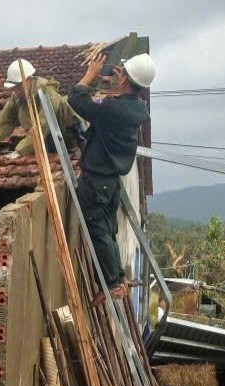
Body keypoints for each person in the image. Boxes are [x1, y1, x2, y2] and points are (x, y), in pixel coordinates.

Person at [68, 53, 154, 300]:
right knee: (108, 231)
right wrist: (122, 83)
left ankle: (114, 284)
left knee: (98, 230)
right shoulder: (135, 108)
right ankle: (116, 279)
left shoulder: (113, 110)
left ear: (127, 79)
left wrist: (90, 75)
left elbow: (76, 98)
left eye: (123, 73)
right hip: (111, 182)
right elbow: (115, 101)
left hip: (97, 181)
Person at [0, 59, 79, 160]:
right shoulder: (17, 98)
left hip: (71, 144)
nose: (15, 91)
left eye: (18, 86)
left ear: (29, 80)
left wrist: (19, 151)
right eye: (13, 87)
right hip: (44, 147)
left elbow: (42, 126)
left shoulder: (47, 94)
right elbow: (2, 122)